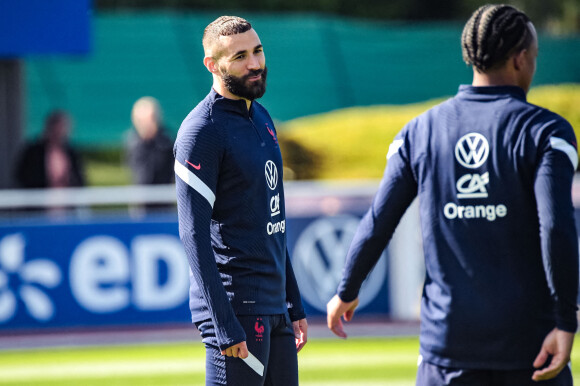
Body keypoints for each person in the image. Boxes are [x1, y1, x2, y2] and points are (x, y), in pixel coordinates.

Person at [327, 4, 578, 385]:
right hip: (531, 348)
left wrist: (346, 289)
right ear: (521, 58)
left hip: (446, 352)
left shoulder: (418, 132)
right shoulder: (547, 132)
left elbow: (379, 220)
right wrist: (565, 320)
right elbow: (556, 227)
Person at [173, 16, 307, 385]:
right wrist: (224, 324)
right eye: (240, 56)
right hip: (235, 310)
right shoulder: (201, 131)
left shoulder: (262, 117)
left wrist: (293, 303)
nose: (255, 63)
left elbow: (273, 221)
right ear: (212, 65)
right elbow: (193, 235)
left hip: (274, 306)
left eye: (258, 51)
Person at [14, 110, 85, 189]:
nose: (59, 132)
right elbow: (21, 176)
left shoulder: (71, 152)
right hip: (39, 197)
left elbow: (80, 179)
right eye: (57, 128)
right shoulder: (34, 152)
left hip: (66, 197)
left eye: (63, 128)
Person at [126, 96, 174, 186]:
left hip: (164, 193)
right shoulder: (133, 143)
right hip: (143, 194)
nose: (147, 124)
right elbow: (141, 174)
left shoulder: (167, 140)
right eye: (142, 121)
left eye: (151, 119)